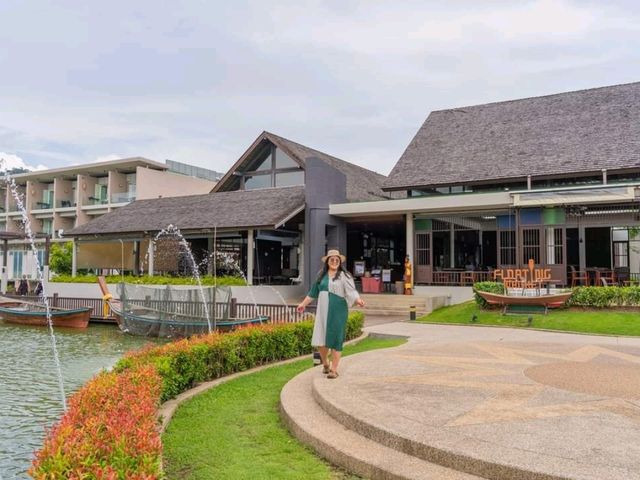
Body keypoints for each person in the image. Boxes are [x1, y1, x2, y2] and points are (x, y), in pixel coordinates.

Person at [297, 249, 365, 379]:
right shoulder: (321, 276)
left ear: (340, 262)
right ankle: (325, 364)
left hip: (338, 310)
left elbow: (351, 292)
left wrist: (358, 300)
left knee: (336, 338)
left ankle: (334, 370)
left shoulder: (344, 276)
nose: (334, 261)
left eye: (336, 260)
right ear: (327, 261)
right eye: (332, 259)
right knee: (321, 339)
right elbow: (313, 293)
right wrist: (303, 304)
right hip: (323, 310)